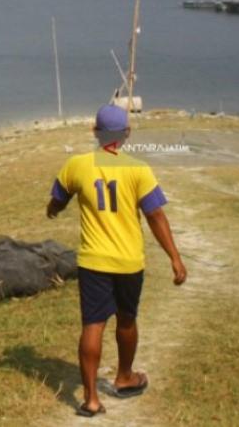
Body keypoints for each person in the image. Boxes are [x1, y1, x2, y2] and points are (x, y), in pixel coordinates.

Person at [45, 104, 187, 418]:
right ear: (126, 134)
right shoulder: (138, 169)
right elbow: (155, 215)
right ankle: (124, 377)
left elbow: (58, 199)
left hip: (94, 262)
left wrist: (52, 210)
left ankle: (91, 400)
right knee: (126, 320)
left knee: (92, 325)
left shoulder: (77, 165)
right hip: (128, 262)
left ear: (95, 132)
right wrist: (175, 258)